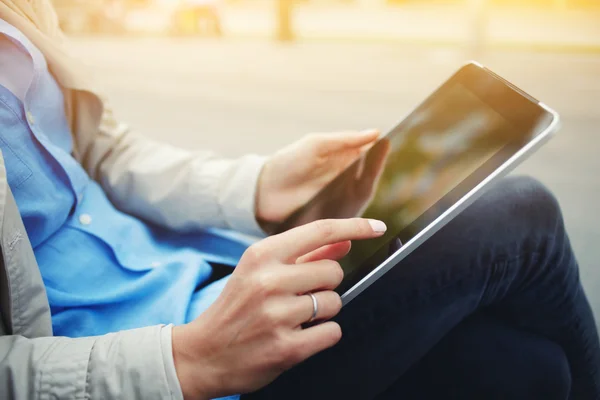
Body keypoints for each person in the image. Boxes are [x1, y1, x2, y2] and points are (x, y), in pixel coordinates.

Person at [0, 1, 598, 399]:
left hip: (207, 283)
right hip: (162, 360)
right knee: (520, 212)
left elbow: (101, 152)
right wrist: (181, 362)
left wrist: (260, 183)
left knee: (530, 369)